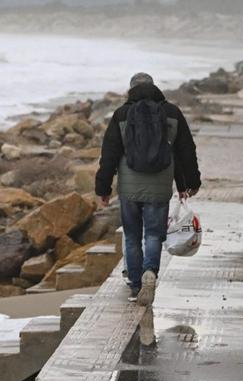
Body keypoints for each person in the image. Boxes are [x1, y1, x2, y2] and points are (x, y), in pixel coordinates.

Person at [94, 72, 201, 306]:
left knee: (132, 236)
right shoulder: (171, 113)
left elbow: (109, 154)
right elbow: (185, 151)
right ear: (155, 88)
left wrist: (103, 187)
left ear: (130, 89)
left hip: (129, 187)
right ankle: (150, 272)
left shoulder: (122, 114)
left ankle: (135, 285)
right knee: (153, 234)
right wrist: (189, 183)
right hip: (160, 184)